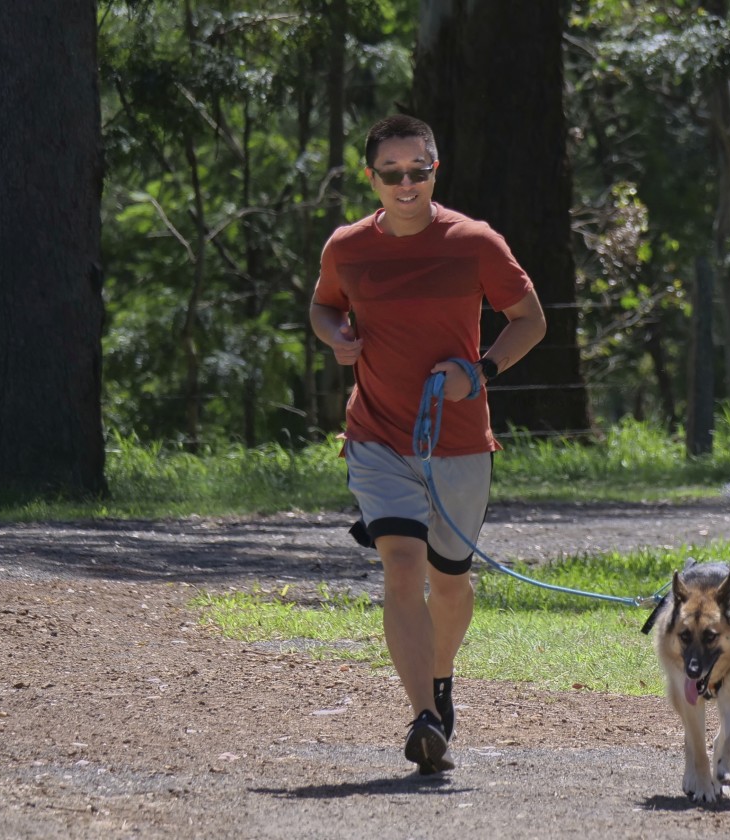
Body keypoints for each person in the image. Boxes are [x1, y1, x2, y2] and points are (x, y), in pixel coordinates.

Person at [309, 114, 546, 775]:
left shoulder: (474, 243)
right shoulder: (347, 248)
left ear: (435, 170)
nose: (406, 183)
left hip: (461, 443)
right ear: (372, 178)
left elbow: (530, 320)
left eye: (419, 170)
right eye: (393, 173)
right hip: (378, 436)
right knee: (403, 567)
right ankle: (423, 718)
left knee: (450, 583)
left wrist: (482, 371)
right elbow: (324, 306)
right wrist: (335, 336)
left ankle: (441, 678)